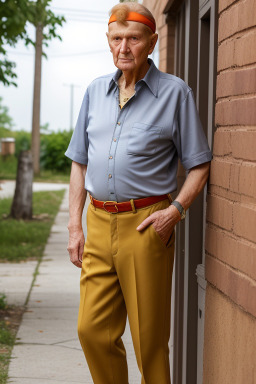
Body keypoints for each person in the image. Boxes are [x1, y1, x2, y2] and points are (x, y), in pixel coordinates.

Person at [65, 2, 212, 383]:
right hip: (97, 223)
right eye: (117, 39)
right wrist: (74, 226)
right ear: (108, 42)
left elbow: (199, 164)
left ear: (152, 41)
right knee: (91, 330)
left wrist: (175, 211)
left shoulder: (175, 94)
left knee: (149, 342)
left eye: (133, 38)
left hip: (147, 225)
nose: (124, 48)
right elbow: (79, 162)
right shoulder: (96, 92)